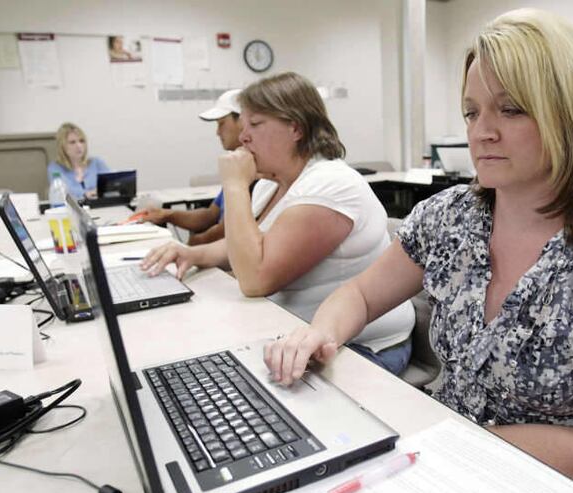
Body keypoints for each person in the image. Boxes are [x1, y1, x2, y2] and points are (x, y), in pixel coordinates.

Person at [264, 9, 573, 493]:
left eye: (511, 110)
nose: (481, 132)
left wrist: (441, 433)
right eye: (471, 112)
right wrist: (321, 331)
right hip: (450, 458)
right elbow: (360, 294)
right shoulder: (451, 216)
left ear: (572, 114)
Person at [141, 72, 415, 375]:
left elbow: (255, 279)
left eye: (255, 124)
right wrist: (194, 254)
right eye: (243, 125)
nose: (243, 136)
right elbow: (256, 243)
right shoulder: (269, 184)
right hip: (292, 333)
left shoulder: (331, 185)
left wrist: (233, 186)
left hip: (360, 346)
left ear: (295, 127)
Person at [138, 89, 243, 245]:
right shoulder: (236, 167)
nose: (217, 132)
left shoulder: (255, 173)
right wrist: (166, 214)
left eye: (221, 124)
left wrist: (192, 245)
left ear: (242, 122)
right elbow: (210, 215)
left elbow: (227, 229)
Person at [47, 123, 109, 200]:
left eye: (81, 141)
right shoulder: (55, 168)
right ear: (62, 146)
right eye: (72, 142)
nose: (79, 146)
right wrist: (87, 194)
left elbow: (110, 187)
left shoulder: (97, 163)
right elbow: (63, 194)